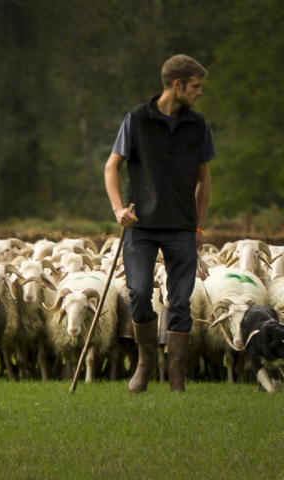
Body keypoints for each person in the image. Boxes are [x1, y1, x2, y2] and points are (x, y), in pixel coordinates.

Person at [104, 54, 213, 393]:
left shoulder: (197, 125)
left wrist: (198, 227)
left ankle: (177, 378)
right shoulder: (136, 119)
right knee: (138, 293)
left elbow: (204, 181)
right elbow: (112, 168)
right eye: (195, 87)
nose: (199, 93)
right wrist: (119, 209)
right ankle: (145, 363)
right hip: (141, 226)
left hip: (182, 226)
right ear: (177, 84)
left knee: (180, 301)